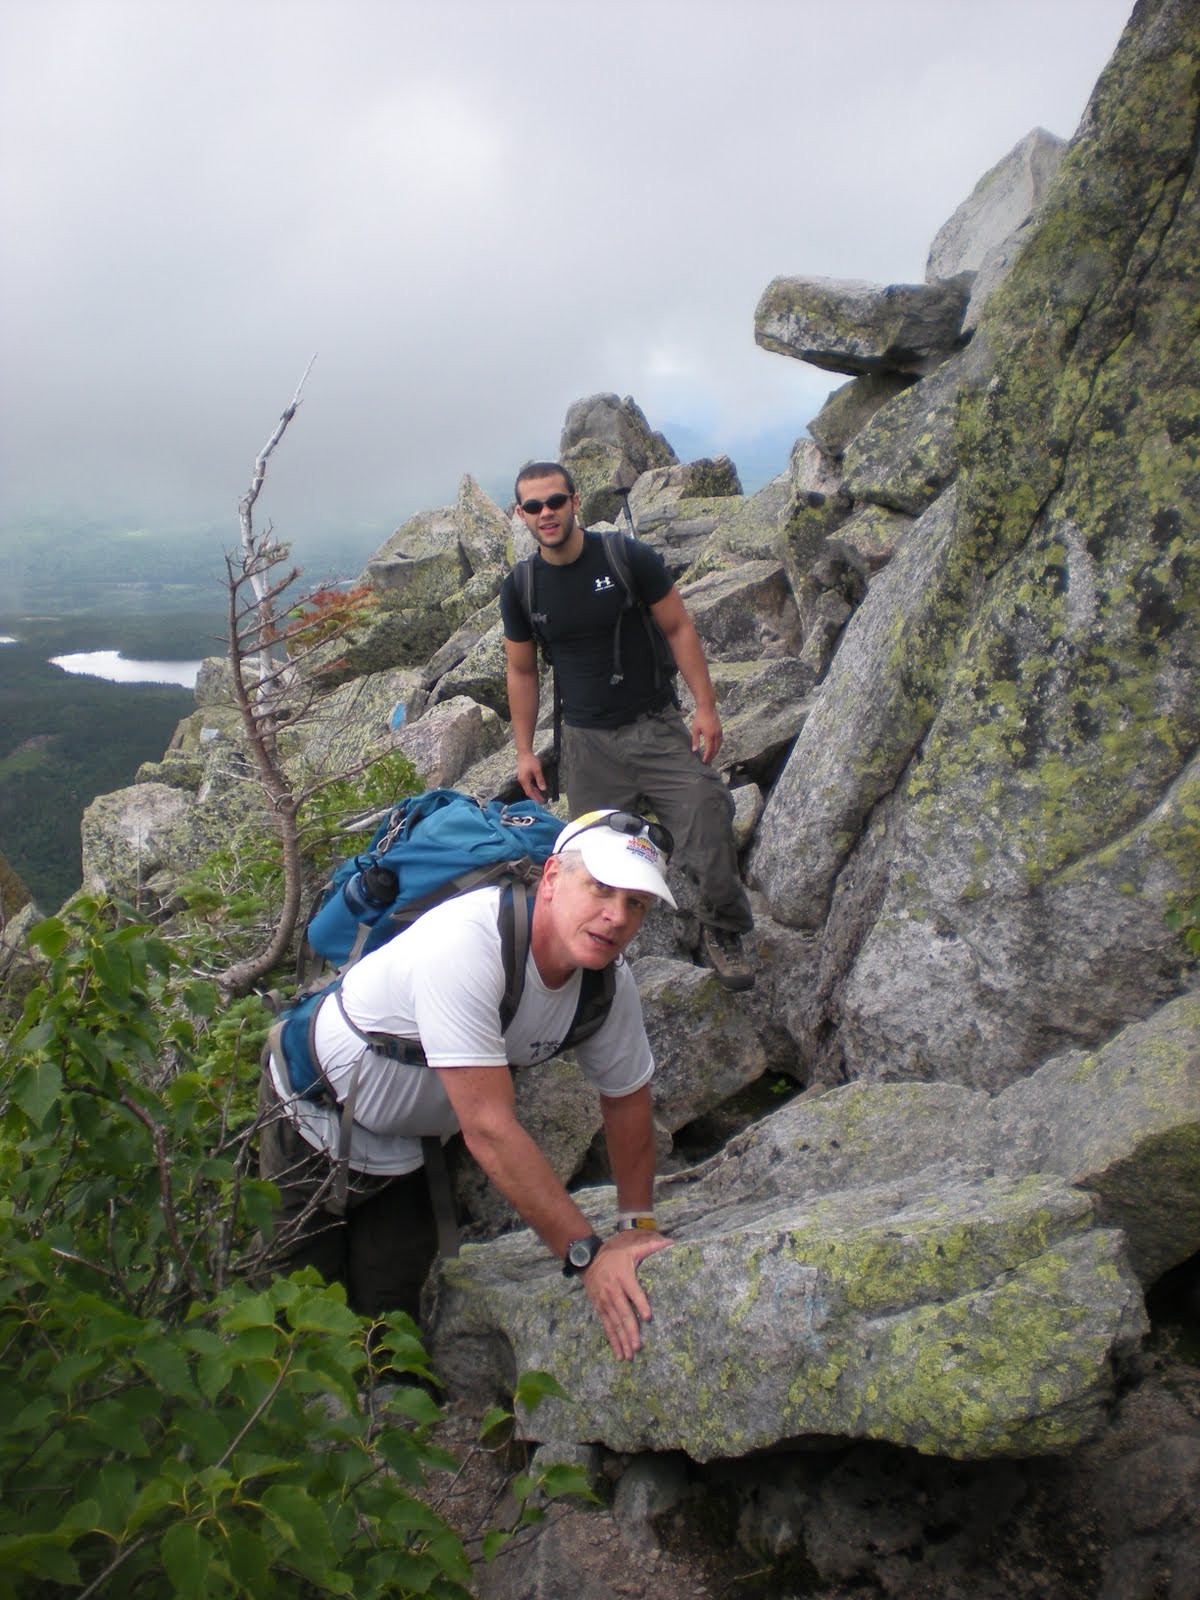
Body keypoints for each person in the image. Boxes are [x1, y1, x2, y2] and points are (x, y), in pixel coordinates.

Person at [259, 810, 675, 1361]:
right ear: (551, 878)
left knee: (390, 1334)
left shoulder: (606, 987)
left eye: (635, 903)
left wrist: (635, 1223)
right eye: (600, 889)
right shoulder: (468, 942)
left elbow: (627, 1099)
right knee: (294, 1325)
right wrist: (588, 1257)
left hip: (409, 1153)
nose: (615, 917)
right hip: (309, 1120)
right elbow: (489, 1129)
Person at [500, 460, 755, 991]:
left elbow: (679, 626)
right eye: (533, 506)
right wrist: (524, 751)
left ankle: (723, 927)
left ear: (575, 502)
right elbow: (522, 670)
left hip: (654, 725)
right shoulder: (522, 587)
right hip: (585, 743)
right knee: (587, 859)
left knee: (706, 810)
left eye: (555, 502)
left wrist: (705, 706)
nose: (546, 514)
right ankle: (587, 956)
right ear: (520, 515)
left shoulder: (625, 557)